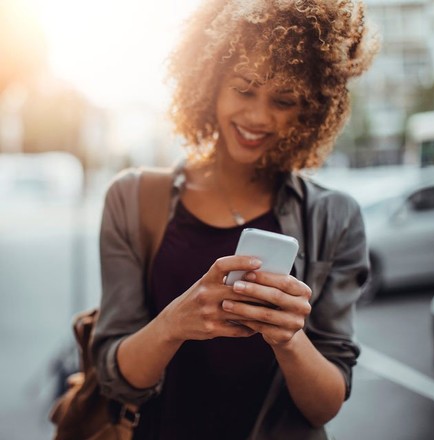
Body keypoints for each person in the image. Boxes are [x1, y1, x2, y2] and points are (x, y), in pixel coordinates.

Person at [91, 1, 380, 439]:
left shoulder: (335, 217)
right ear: (209, 84)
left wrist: (288, 338)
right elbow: (114, 375)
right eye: (244, 90)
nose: (259, 117)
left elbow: (324, 406)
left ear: (311, 110)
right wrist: (175, 323)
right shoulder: (131, 198)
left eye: (283, 100)